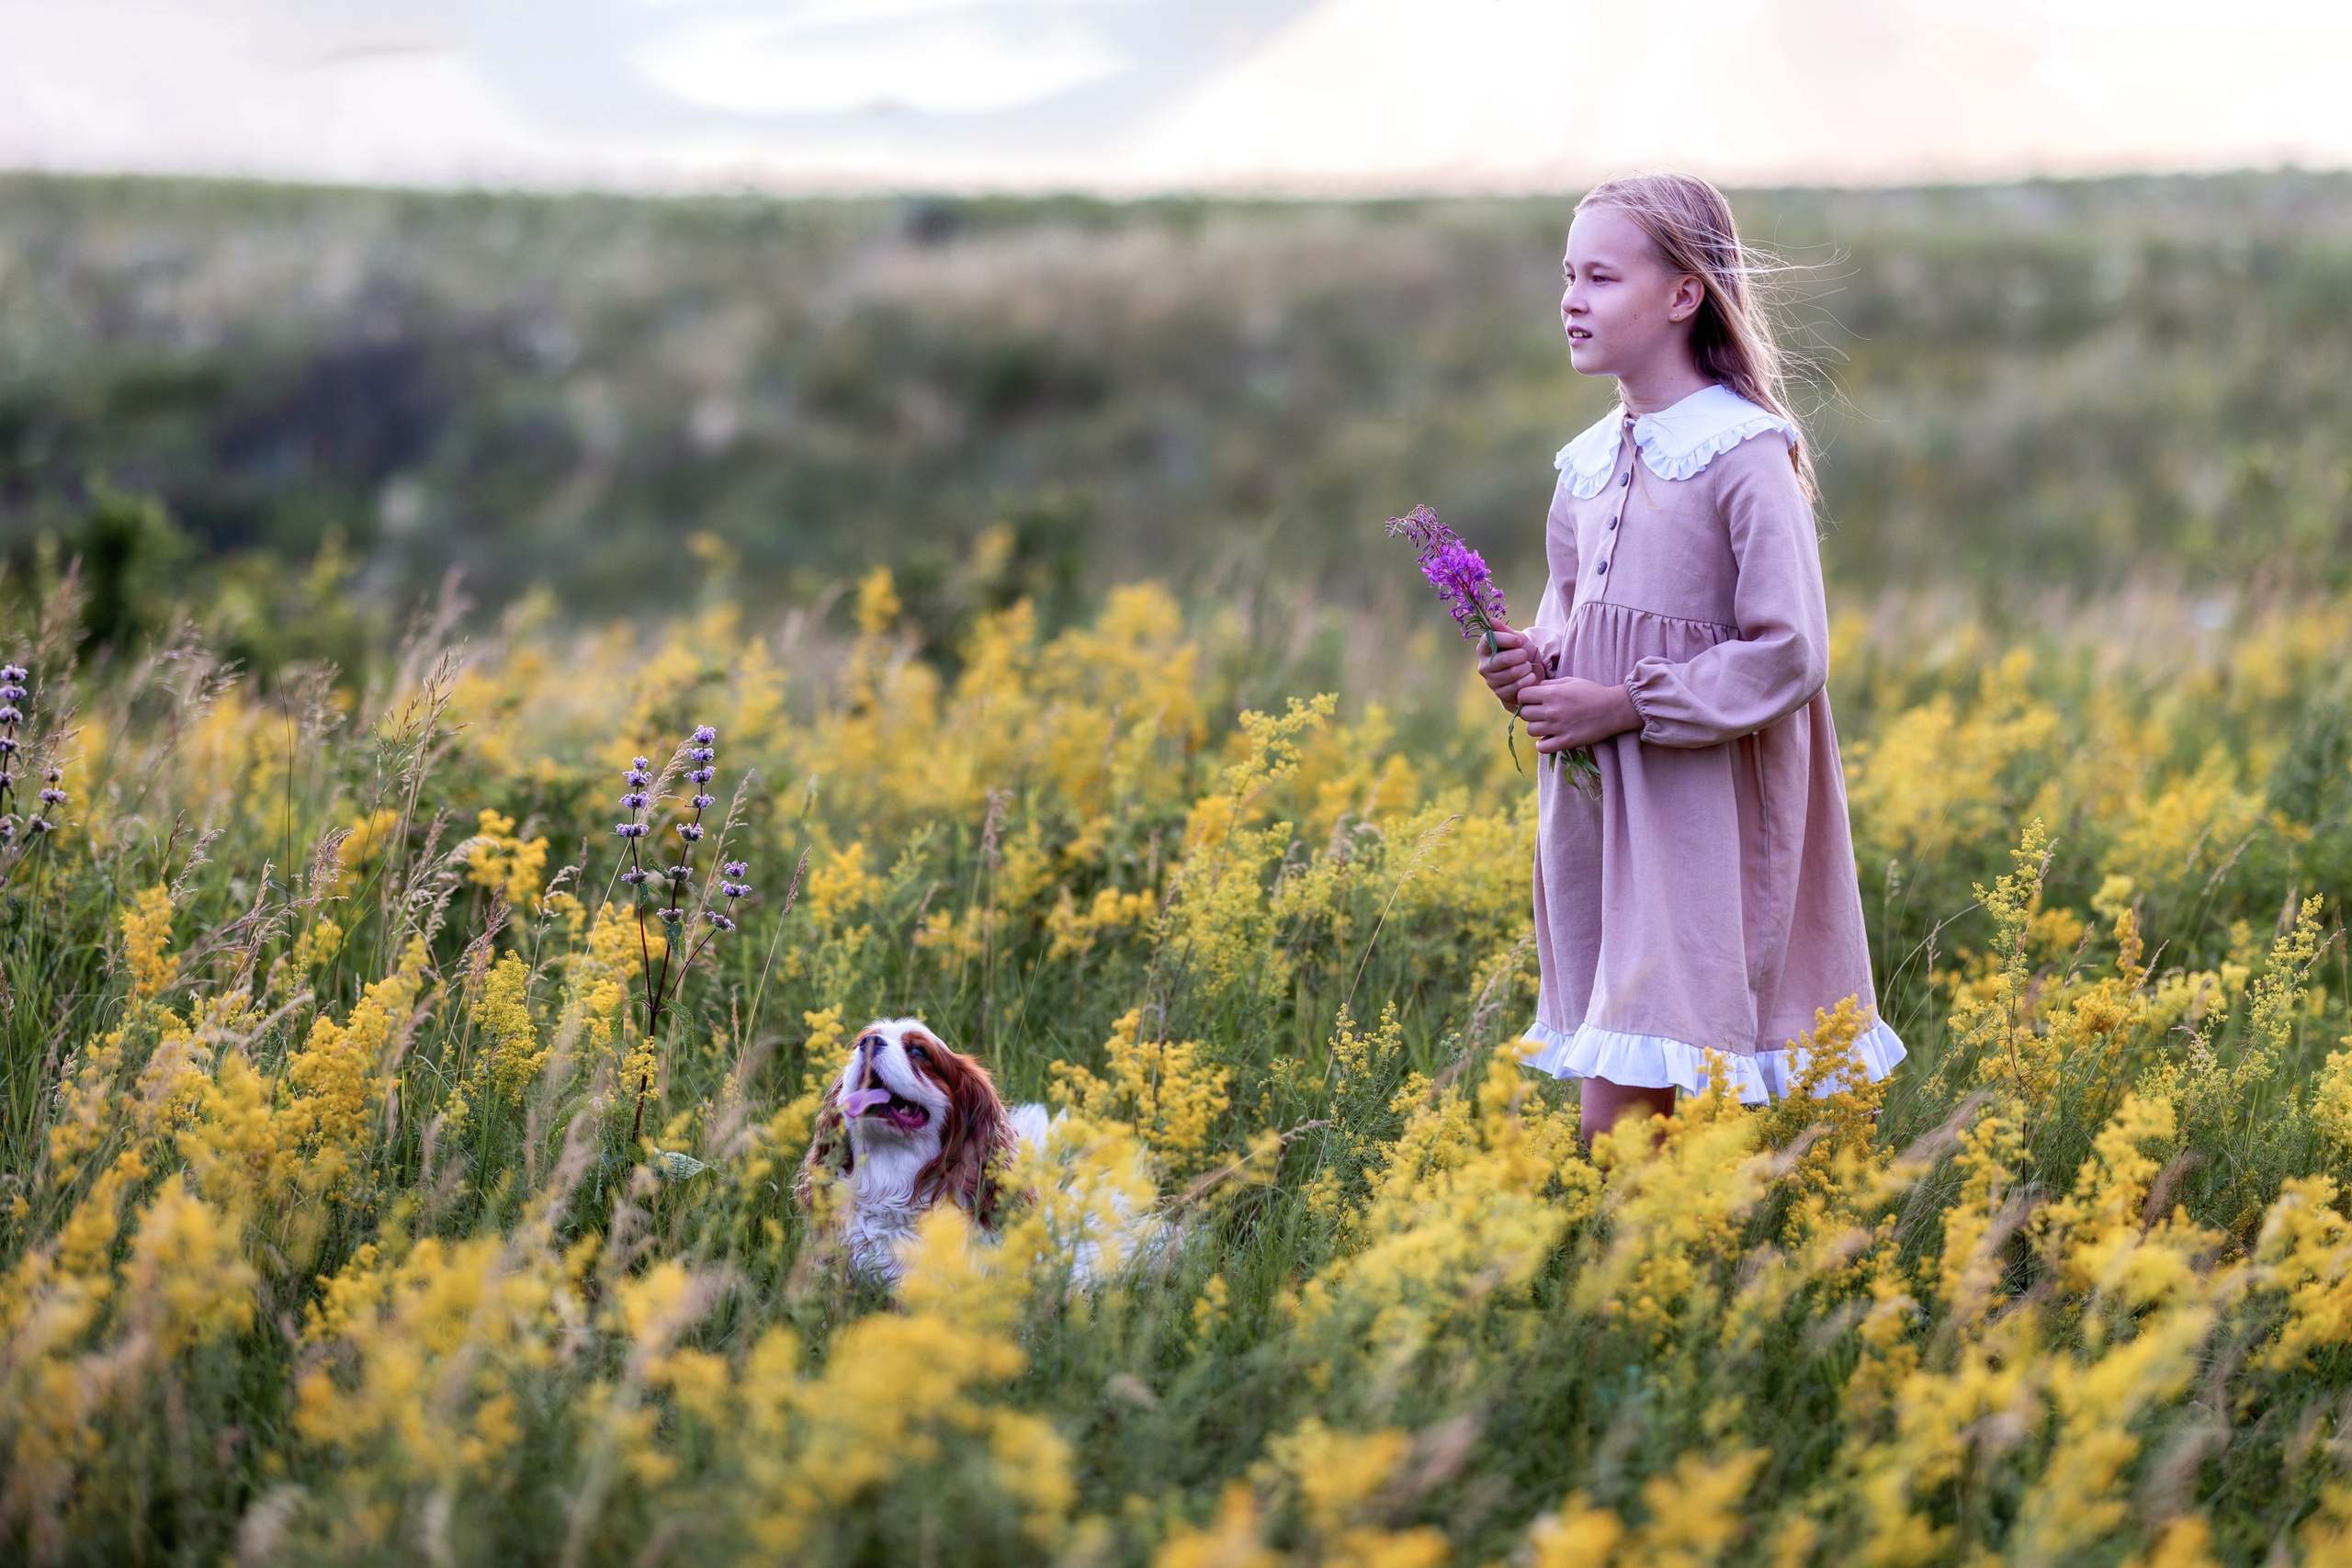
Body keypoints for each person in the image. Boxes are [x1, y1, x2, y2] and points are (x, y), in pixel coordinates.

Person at [1476, 173, 1905, 1147]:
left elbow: (1790, 650)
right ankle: (1650, 1277)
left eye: (1600, 277)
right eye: (1566, 277)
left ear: (1681, 295)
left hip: (1705, 813)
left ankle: (1705, 1271)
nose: (1571, 301)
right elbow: (1569, 620)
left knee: (1679, 1083)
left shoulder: (1745, 452)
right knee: (1627, 1078)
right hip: (1606, 813)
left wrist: (1625, 704)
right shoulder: (1583, 465)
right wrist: (1530, 667)